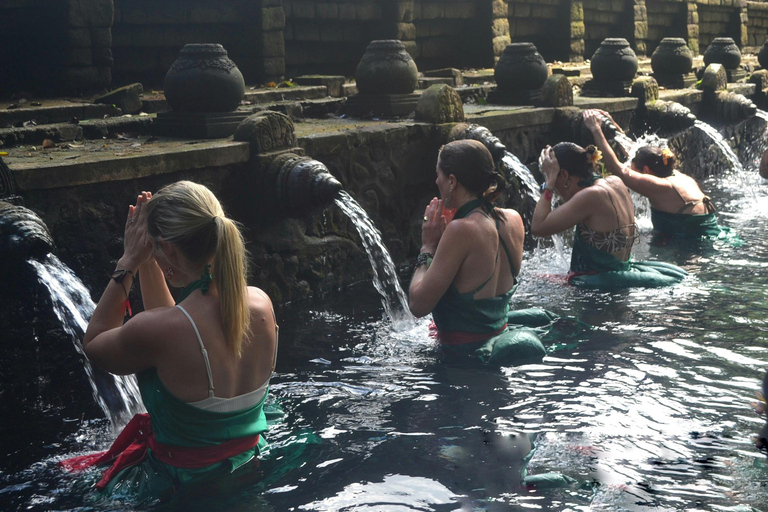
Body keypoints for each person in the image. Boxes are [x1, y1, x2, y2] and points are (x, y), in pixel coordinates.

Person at [61, 181, 278, 499]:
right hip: (251, 465)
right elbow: (172, 329)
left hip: (183, 489)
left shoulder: (162, 332)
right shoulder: (261, 304)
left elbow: (94, 343)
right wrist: (152, 258)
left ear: (172, 250)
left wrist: (130, 262)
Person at [408, 139, 554, 365]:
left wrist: (428, 246)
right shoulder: (513, 220)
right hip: (499, 341)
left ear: (453, 181)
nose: (436, 180)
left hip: (463, 362)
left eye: (438, 174)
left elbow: (418, 305)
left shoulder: (461, 230)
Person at [531, 137, 687, 289]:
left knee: (535, 281)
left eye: (552, 176)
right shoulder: (614, 181)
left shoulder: (590, 196)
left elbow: (538, 227)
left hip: (604, 284)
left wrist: (549, 183)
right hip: (620, 272)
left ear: (564, 175)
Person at [583, 109, 735, 242]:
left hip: (697, 242)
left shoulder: (661, 186)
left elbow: (616, 168)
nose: (628, 165)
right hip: (711, 234)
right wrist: (613, 124)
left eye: (632, 166)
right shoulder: (674, 174)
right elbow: (633, 150)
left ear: (647, 170)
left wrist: (595, 129)